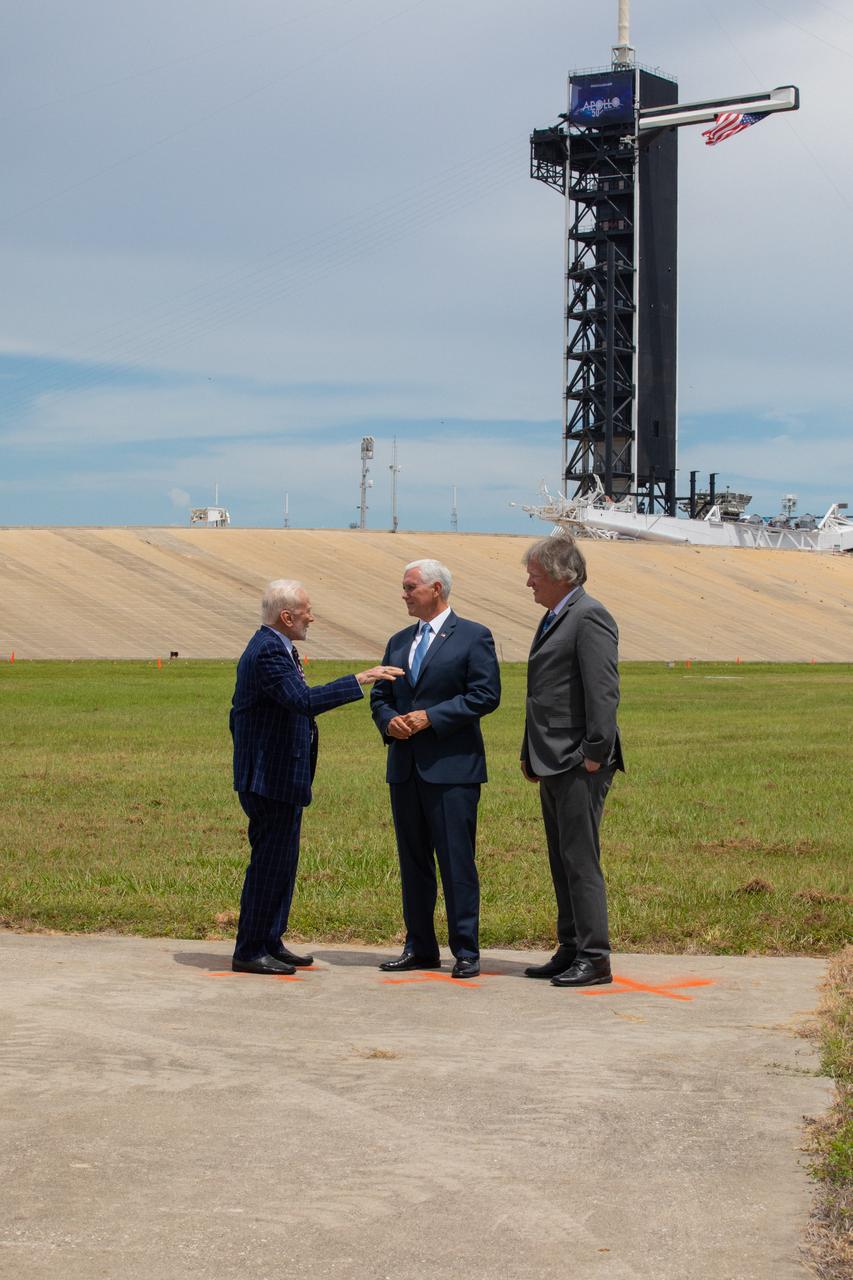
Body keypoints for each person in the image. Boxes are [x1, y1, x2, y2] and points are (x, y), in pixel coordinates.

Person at [230, 579, 403, 975]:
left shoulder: (276, 647)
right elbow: (303, 702)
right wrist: (361, 679)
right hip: (268, 781)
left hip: (277, 778)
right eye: (306, 610)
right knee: (269, 864)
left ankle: (270, 940)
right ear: (286, 616)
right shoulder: (270, 651)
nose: (312, 617)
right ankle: (250, 948)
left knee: (281, 864)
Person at [370, 559, 501, 979]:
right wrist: (388, 721)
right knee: (413, 862)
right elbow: (380, 695)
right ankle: (420, 947)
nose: (404, 594)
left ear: (437, 589)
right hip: (405, 769)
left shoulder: (473, 636)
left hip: (452, 771)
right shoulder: (398, 640)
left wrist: (432, 717)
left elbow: (485, 695)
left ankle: (466, 951)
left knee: (456, 861)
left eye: (410, 587)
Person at [520, 536, 624, 988]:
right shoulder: (554, 616)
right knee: (561, 860)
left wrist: (595, 754)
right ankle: (570, 947)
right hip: (551, 759)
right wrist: (530, 751)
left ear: (562, 576)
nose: (529, 583)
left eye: (535, 576)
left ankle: (595, 958)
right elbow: (543, 694)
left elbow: (603, 691)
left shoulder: (589, 616)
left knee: (581, 861)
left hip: (579, 762)